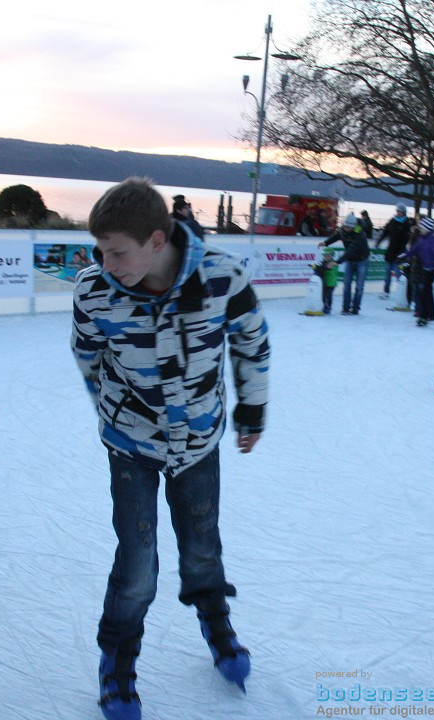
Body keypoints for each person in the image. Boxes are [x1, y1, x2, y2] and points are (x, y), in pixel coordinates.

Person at [71, 177, 270, 720]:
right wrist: (115, 413)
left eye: (117, 252)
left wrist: (252, 410)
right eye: (102, 251)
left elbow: (253, 343)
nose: (107, 263)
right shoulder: (94, 290)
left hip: (200, 441)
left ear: (157, 240)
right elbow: (87, 355)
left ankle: (215, 619)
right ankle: (117, 661)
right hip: (131, 448)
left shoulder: (222, 276)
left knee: (202, 542)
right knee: (137, 562)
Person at [320, 213, 370, 315]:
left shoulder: (360, 234)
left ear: (354, 226)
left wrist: (337, 262)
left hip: (362, 260)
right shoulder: (342, 230)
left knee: (359, 287)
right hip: (350, 260)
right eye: (346, 226)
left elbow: (350, 251)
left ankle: (355, 308)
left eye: (349, 227)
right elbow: (336, 236)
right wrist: (326, 242)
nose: (347, 228)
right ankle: (345, 308)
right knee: (346, 284)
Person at [405, 217, 434, 326]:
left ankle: (424, 315)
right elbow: (414, 249)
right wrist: (405, 255)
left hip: (430, 269)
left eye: (422, 227)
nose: (420, 228)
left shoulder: (432, 240)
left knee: (424, 292)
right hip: (424, 268)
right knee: (426, 292)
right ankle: (427, 314)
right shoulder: (421, 237)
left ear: (427, 228)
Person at [374, 204, 412, 301]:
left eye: (400, 211)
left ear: (403, 212)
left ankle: (401, 291)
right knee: (387, 273)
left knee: (399, 273)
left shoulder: (407, 223)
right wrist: (379, 241)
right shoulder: (392, 221)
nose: (398, 213)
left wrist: (401, 252)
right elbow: (385, 232)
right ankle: (386, 291)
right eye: (397, 211)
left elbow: (406, 239)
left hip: (400, 252)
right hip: (390, 251)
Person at [314, 249, 339, 314]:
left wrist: (323, 267)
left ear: (331, 256)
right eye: (324, 256)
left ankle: (328, 307)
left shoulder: (333, 263)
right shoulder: (323, 262)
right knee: (323, 295)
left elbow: (327, 268)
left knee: (329, 296)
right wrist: (316, 267)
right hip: (325, 282)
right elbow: (320, 268)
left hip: (331, 283)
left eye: (327, 256)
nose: (325, 257)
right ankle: (324, 306)